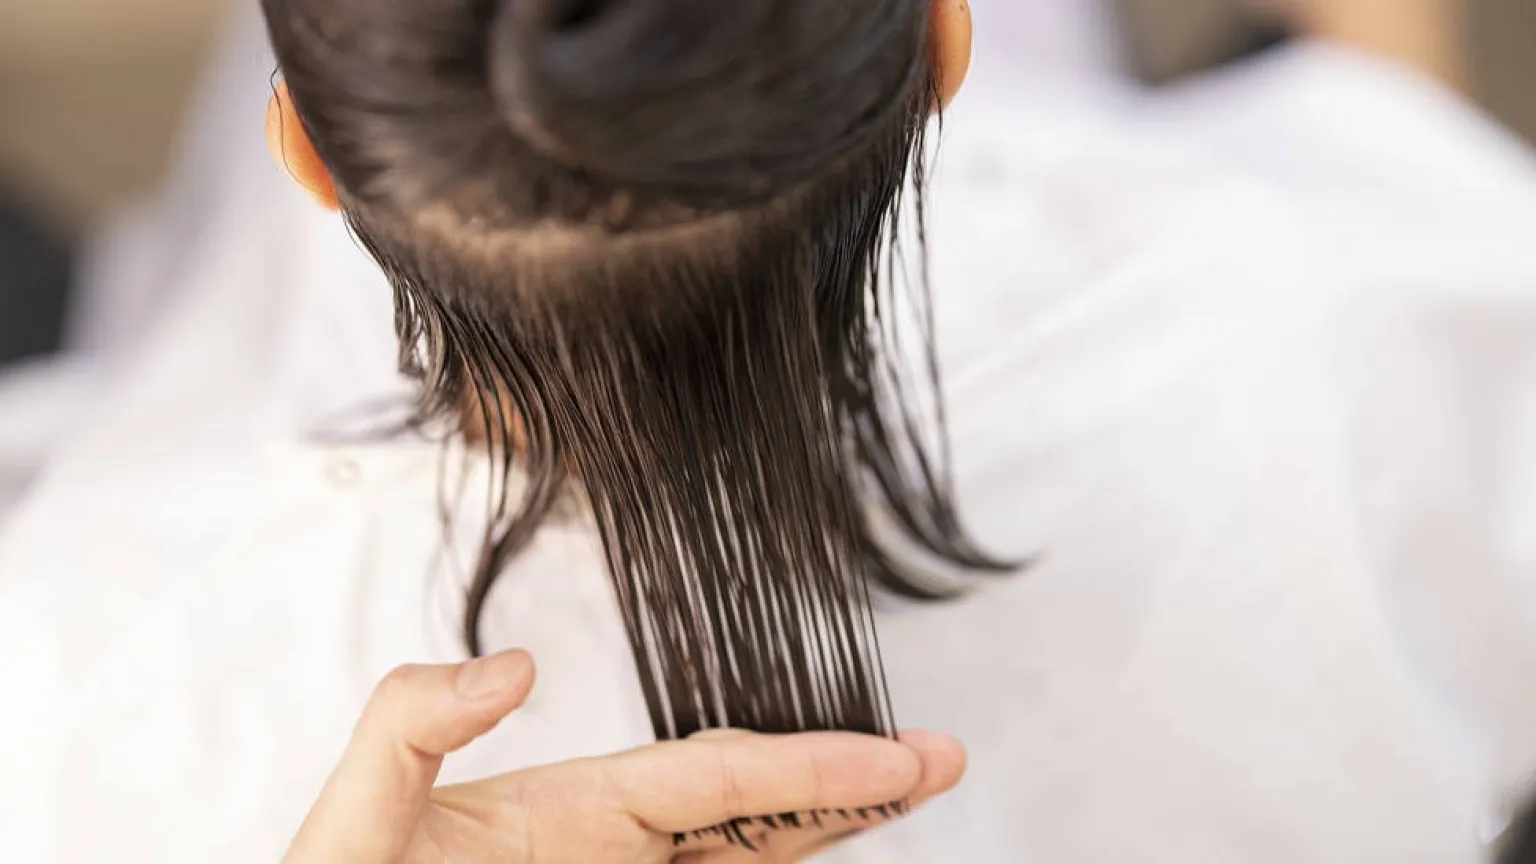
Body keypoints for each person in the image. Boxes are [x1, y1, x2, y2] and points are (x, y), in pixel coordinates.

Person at [1, 3, 1534, 864]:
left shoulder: (77, 666)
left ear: (310, 154)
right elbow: (1439, 206)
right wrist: (1382, 114)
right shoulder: (1319, 320)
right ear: (945, 43)